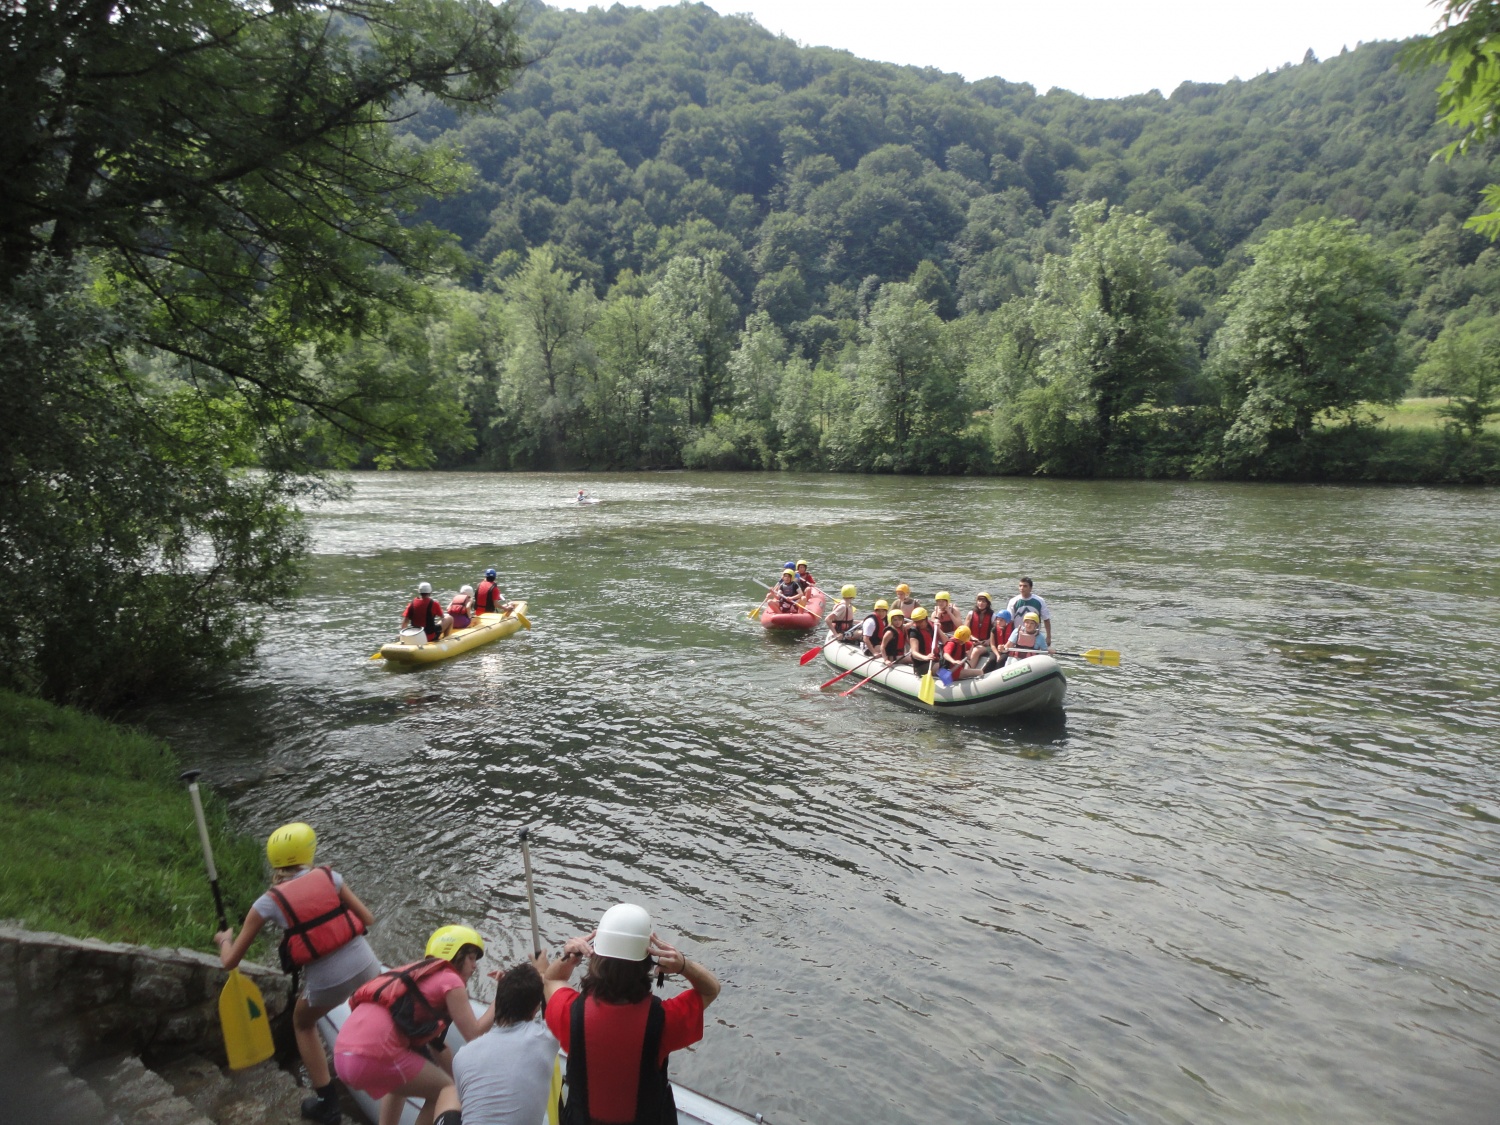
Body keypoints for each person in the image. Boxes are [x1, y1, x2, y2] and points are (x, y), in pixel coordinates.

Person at [215, 823, 380, 1125]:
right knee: (375, 1003)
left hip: (328, 982)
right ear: (309, 852)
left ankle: (328, 1105)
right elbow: (367, 918)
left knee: (303, 1023)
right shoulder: (331, 877)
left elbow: (230, 962)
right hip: (369, 966)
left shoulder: (267, 902)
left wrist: (224, 941)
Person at [543, 903, 720, 1125]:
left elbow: (551, 980)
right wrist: (684, 965)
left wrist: (569, 957)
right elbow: (710, 989)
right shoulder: (664, 1020)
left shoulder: (570, 1013)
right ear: (648, 961)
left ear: (595, 954)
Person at [334, 925, 496, 1125]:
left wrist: (461, 1078)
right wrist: (501, 998)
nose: (475, 966)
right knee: (447, 1091)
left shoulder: (417, 979)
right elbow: (474, 1034)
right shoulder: (451, 981)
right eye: (471, 958)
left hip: (343, 1056)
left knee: (399, 1086)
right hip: (374, 1055)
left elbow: (437, 1046)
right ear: (455, 954)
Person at [433, 958, 556, 1125]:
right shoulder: (546, 1037)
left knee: (450, 1092)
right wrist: (542, 973)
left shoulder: (464, 1055)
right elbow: (558, 999)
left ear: (498, 1002)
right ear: (535, 1010)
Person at [1005, 578, 1052, 646]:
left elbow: (1046, 619)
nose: (1022, 588)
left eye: (1025, 586)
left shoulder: (1040, 601)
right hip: (1018, 635)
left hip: (1035, 636)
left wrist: (1048, 637)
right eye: (1020, 586)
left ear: (1030, 588)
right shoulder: (1013, 601)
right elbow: (1010, 622)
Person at [906, 606, 938, 676]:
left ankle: (949, 680)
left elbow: (945, 641)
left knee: (948, 665)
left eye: (920, 621)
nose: (918, 624)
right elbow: (914, 653)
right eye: (916, 622)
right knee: (942, 668)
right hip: (922, 665)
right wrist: (926, 657)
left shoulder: (931, 626)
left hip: (934, 661)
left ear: (926, 619)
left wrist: (938, 628)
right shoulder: (914, 632)